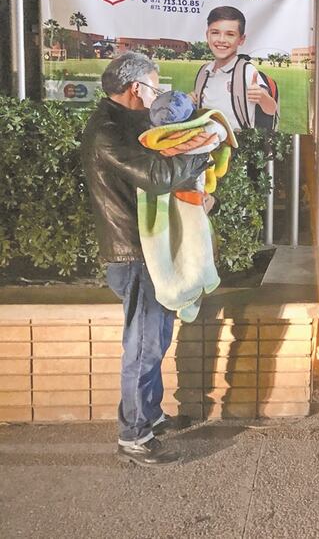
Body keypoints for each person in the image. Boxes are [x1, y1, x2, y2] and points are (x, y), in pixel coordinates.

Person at [81, 52, 218, 466]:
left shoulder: (127, 124)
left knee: (155, 341)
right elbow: (158, 176)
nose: (158, 95)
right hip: (134, 253)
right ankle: (134, 435)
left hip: (146, 249)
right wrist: (203, 149)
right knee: (143, 346)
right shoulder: (107, 132)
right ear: (136, 88)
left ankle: (151, 415)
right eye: (155, 86)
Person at [191, 6, 278, 130]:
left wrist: (262, 97)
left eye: (230, 34)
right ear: (207, 35)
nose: (221, 40)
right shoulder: (204, 71)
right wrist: (191, 99)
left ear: (241, 39)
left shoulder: (247, 71)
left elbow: (271, 109)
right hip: (206, 142)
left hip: (238, 145)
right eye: (215, 33)